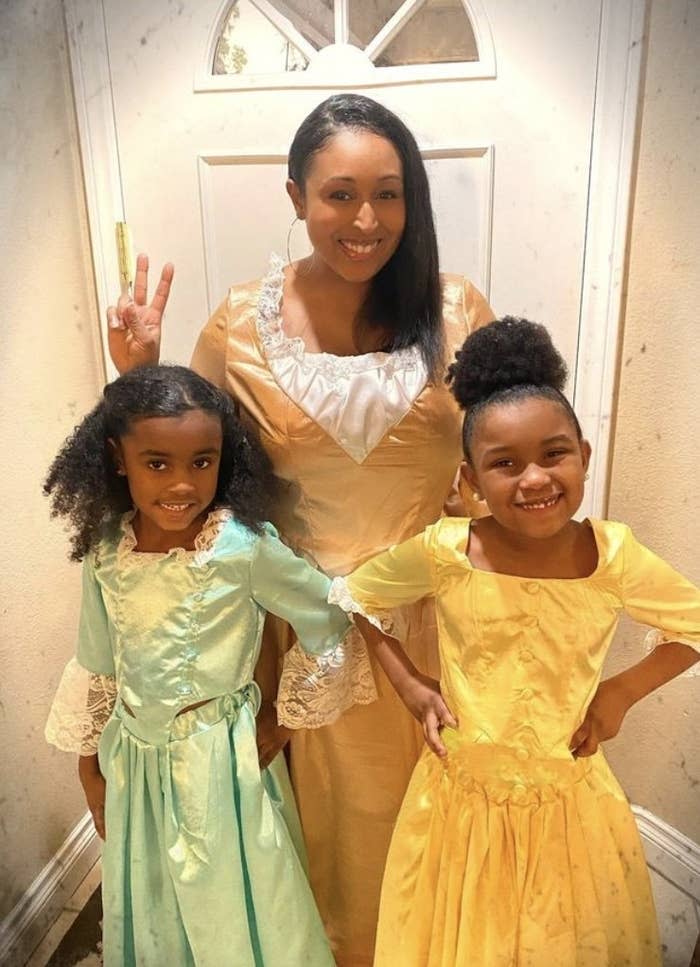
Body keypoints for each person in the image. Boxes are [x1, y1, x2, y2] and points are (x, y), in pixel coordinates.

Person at [106, 93, 495, 963]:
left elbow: (501, 461)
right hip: (297, 641)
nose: (366, 219)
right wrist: (135, 379)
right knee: (309, 867)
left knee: (434, 858)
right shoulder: (238, 326)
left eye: (389, 194)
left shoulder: (459, 309)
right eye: (340, 194)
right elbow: (186, 476)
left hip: (435, 635)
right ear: (295, 197)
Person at [333, 318, 700, 966]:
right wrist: (412, 684)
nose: (533, 478)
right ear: (471, 479)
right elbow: (357, 595)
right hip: (462, 805)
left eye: (552, 453)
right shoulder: (448, 551)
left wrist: (621, 690)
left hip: (569, 805)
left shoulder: (614, 556)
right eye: (506, 463)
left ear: (584, 455)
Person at [43, 364, 361, 967]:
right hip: (134, 760)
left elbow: (327, 617)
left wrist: (283, 721)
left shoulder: (241, 548)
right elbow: (97, 663)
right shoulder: (107, 551)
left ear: (224, 458)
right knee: (154, 891)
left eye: (202, 461)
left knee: (230, 897)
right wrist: (90, 765)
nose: (183, 484)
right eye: (157, 463)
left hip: (223, 766)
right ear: (118, 459)